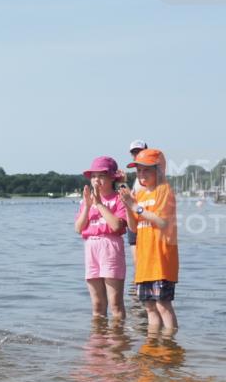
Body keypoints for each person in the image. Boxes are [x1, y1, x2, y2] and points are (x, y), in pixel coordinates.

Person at [120, 148, 178, 332]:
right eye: (138, 171)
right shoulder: (140, 195)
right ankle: (152, 345)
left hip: (161, 259)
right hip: (144, 261)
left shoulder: (164, 190)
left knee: (163, 305)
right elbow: (133, 227)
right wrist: (128, 206)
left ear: (158, 170)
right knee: (149, 308)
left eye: (146, 170)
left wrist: (135, 207)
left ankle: (170, 346)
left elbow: (161, 221)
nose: (141, 174)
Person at [74, 156, 128, 320]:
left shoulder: (119, 198)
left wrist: (99, 204)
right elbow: (78, 228)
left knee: (115, 304)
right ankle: (98, 341)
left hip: (110, 247)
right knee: (97, 304)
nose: (97, 180)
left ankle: (117, 342)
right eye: (94, 176)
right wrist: (88, 205)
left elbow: (117, 226)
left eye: (102, 176)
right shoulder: (87, 202)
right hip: (91, 248)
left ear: (112, 177)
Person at [125, 140, 147, 267]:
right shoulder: (137, 178)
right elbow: (130, 197)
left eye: (139, 151)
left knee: (143, 262)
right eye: (134, 153)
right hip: (134, 220)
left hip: (144, 219)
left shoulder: (152, 174)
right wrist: (123, 182)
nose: (137, 155)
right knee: (137, 262)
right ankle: (137, 285)